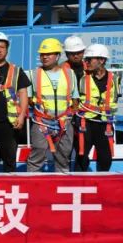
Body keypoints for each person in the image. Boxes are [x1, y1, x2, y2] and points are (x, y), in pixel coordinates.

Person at [27, 38, 80, 173]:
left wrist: (70, 116)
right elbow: (28, 99)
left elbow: (75, 98)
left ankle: (61, 183)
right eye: (42, 54)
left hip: (64, 122)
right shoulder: (33, 74)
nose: (44, 57)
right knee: (37, 155)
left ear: (57, 56)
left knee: (63, 157)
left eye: (49, 54)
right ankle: (31, 183)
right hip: (41, 122)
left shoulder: (70, 74)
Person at [0, 31, 31, 173]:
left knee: (10, 160)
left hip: (9, 123)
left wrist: (21, 116)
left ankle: (10, 185)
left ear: (7, 49)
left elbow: (23, 93)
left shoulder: (16, 71)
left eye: (2, 47)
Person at [75, 44, 118, 172]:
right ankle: (79, 180)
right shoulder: (81, 77)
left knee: (106, 158)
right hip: (86, 122)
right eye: (86, 59)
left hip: (105, 123)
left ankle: (102, 181)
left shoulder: (115, 79)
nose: (86, 62)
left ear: (102, 60)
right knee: (81, 156)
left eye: (90, 59)